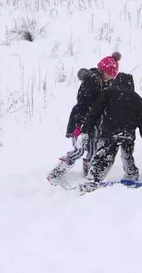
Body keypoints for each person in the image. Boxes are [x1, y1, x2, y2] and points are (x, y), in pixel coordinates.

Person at [47, 53, 117, 182]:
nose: (111, 77)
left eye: (113, 75)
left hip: (94, 122)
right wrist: (80, 124)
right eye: (110, 74)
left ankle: (88, 170)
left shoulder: (104, 83)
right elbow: (83, 104)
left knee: (93, 149)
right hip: (81, 120)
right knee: (79, 150)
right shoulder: (92, 82)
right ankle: (57, 171)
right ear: (103, 70)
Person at [80, 71, 142, 183]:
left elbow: (94, 113)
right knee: (127, 156)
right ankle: (132, 175)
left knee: (103, 159)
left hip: (110, 133)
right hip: (128, 134)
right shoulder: (136, 98)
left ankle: (93, 180)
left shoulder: (108, 93)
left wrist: (85, 130)